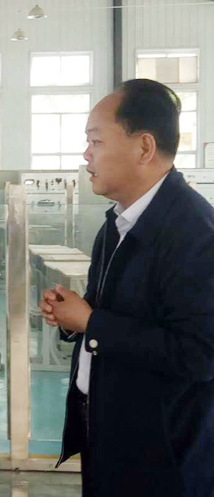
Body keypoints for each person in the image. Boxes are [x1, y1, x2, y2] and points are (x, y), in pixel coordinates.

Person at [40, 79, 214, 497]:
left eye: (96, 141)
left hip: (162, 459)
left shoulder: (193, 232)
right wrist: (73, 317)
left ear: (144, 147)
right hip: (110, 438)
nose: (86, 154)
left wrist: (92, 322)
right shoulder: (118, 223)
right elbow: (116, 313)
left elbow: (201, 354)